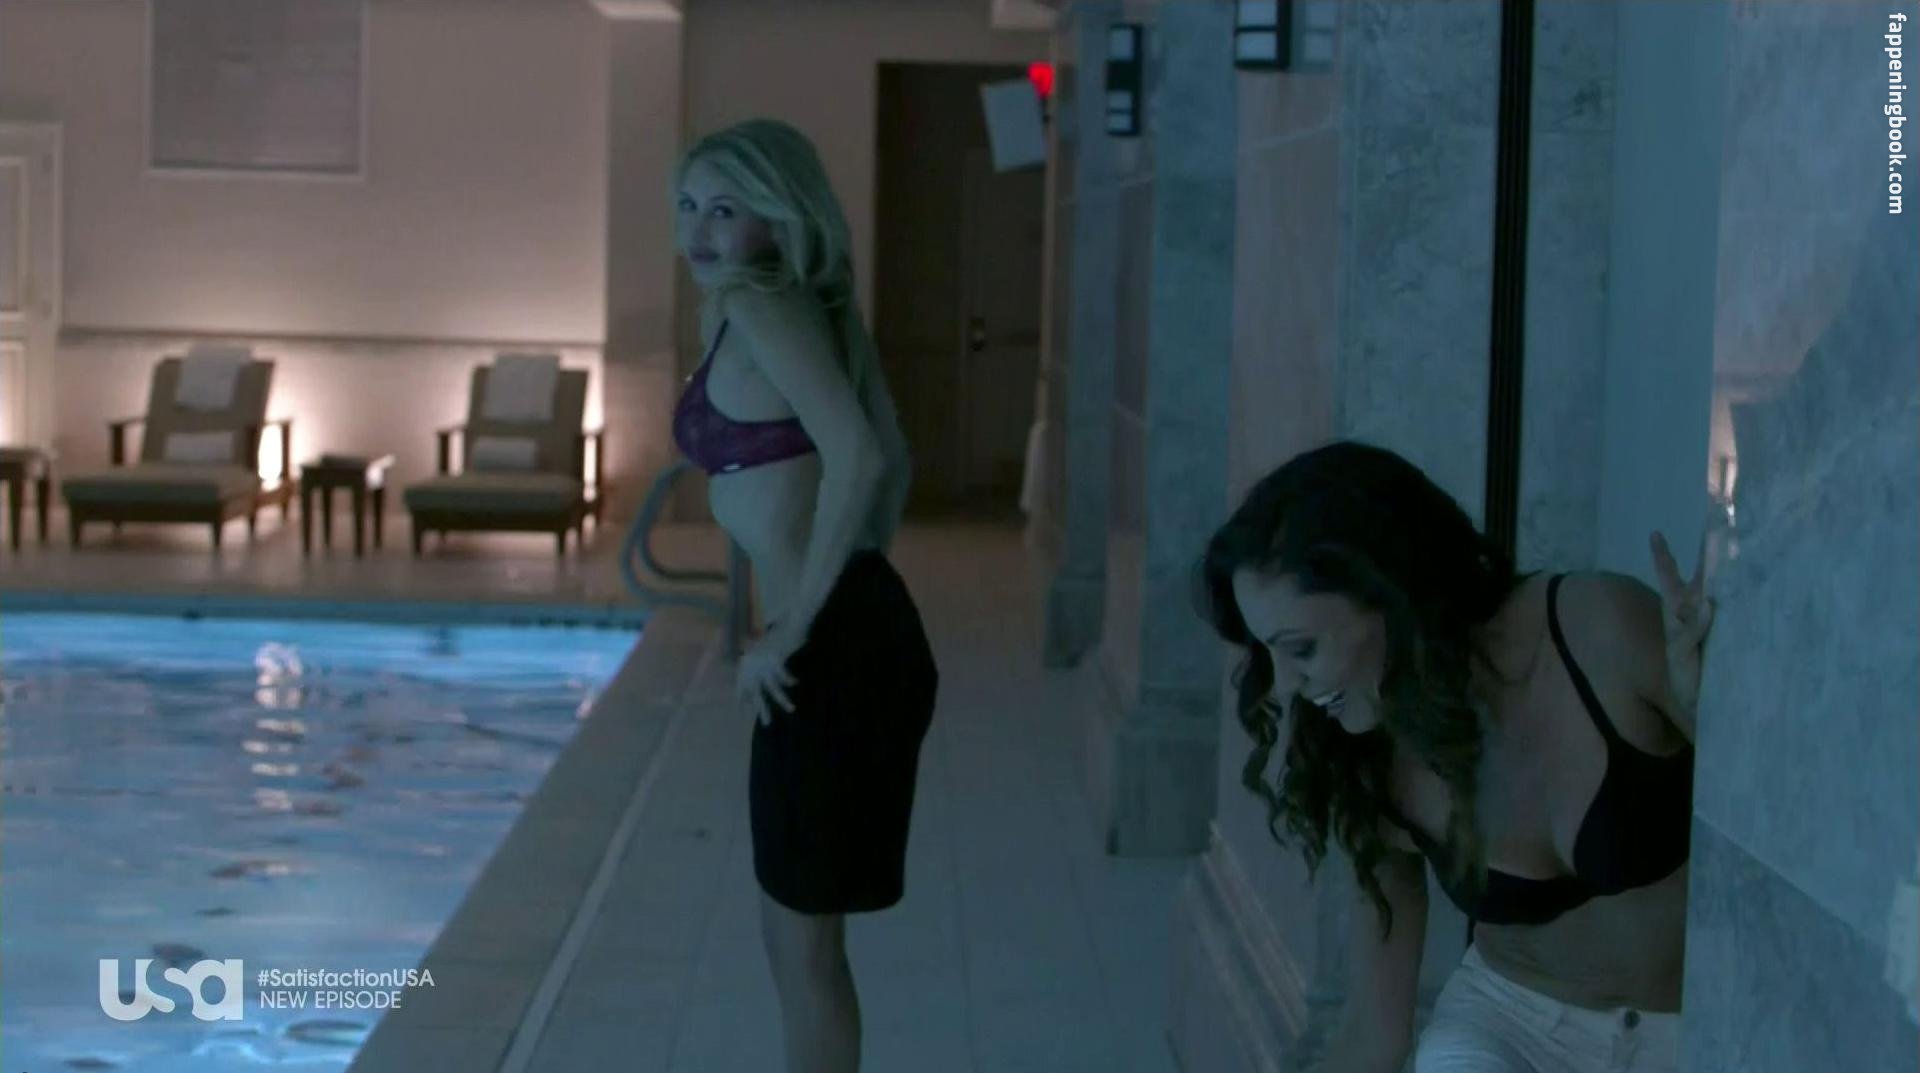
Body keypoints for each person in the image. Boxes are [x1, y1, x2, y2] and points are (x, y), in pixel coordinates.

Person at [1194, 441, 1714, 1073]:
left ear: (1388, 591)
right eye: (1269, 653)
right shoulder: (1372, 766)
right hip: (1508, 1030)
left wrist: (1715, 708)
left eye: (1300, 649)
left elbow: (1782, 822)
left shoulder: (1596, 630)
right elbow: (1374, 1035)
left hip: (1696, 1034)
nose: (1282, 685)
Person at [669, 118, 939, 1073]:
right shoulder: (771, 308)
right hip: (847, 630)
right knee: (796, 941)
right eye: (688, 206)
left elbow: (860, 457)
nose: (699, 231)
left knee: (804, 948)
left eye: (725, 209)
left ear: (777, 218)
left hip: (830, 646)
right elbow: (891, 457)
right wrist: (838, 593)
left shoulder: (763, 303)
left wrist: (797, 626)